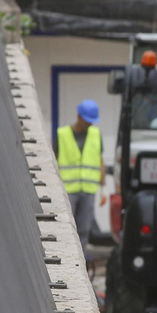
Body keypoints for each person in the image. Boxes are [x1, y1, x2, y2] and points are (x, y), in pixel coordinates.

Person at [57, 100, 108, 245]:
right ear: (78, 116)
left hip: (88, 191)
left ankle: (81, 263)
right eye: (87, 121)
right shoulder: (62, 134)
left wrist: (104, 189)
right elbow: (54, 161)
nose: (90, 125)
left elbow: (100, 161)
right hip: (68, 192)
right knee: (66, 228)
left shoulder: (96, 134)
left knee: (84, 230)